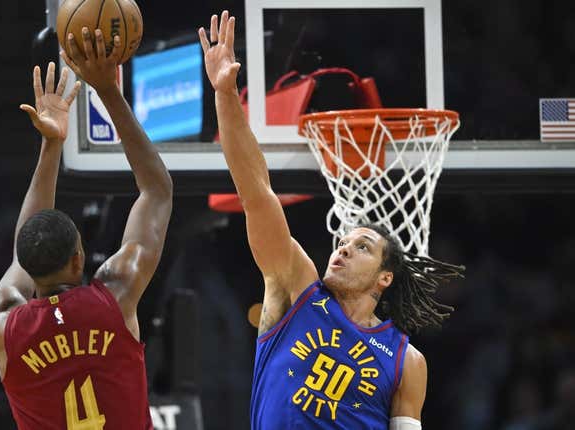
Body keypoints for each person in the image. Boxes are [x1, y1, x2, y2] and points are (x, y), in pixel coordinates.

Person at [198, 11, 463, 429]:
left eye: (362, 247)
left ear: (385, 277)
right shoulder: (295, 288)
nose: (343, 248)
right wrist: (226, 94)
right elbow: (255, 192)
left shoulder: (406, 360)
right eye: (344, 241)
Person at [0, 29, 172, 430]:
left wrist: (51, 147)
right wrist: (107, 90)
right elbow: (156, 191)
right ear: (79, 258)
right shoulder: (115, 297)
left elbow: (24, 249)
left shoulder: (1, 322)